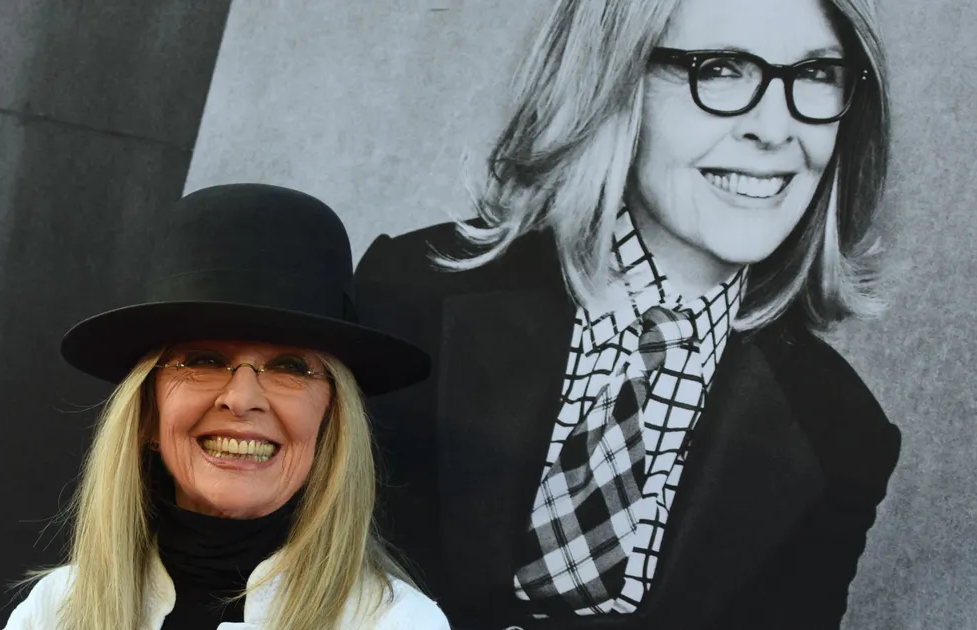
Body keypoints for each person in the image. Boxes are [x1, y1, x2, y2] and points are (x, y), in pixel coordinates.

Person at [354, 0, 900, 628]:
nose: (775, 129)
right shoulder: (413, 295)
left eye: (816, 73)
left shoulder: (843, 435)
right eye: (721, 68)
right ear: (610, 79)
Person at [4, 183, 451, 630]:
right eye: (204, 361)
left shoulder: (397, 623)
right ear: (147, 415)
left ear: (331, 420)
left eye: (290, 367)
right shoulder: (55, 610)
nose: (241, 399)